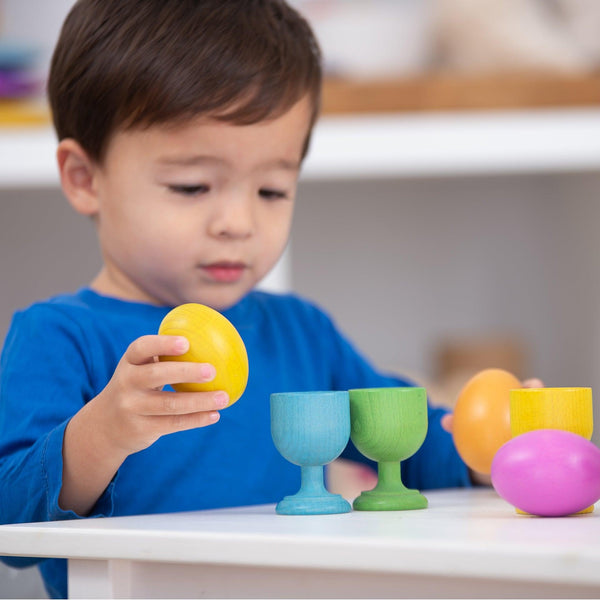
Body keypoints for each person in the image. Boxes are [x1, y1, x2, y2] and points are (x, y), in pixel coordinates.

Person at [0, 1, 472, 597]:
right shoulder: (57, 336)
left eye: (272, 190)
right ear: (84, 177)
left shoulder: (302, 332)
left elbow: (407, 448)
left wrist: (489, 446)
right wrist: (103, 433)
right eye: (193, 186)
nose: (237, 222)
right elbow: (10, 521)